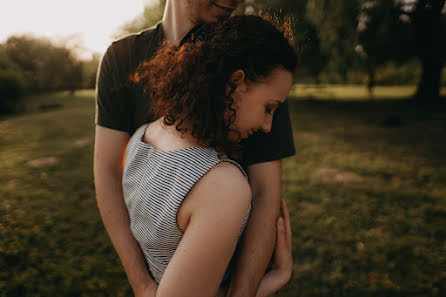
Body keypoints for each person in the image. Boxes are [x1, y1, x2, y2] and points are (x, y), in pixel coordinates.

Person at [94, 1, 296, 296]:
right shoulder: (122, 57)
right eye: (268, 109)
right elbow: (108, 169)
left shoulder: (260, 60)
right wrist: (143, 285)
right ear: (234, 83)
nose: (269, 124)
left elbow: (266, 192)